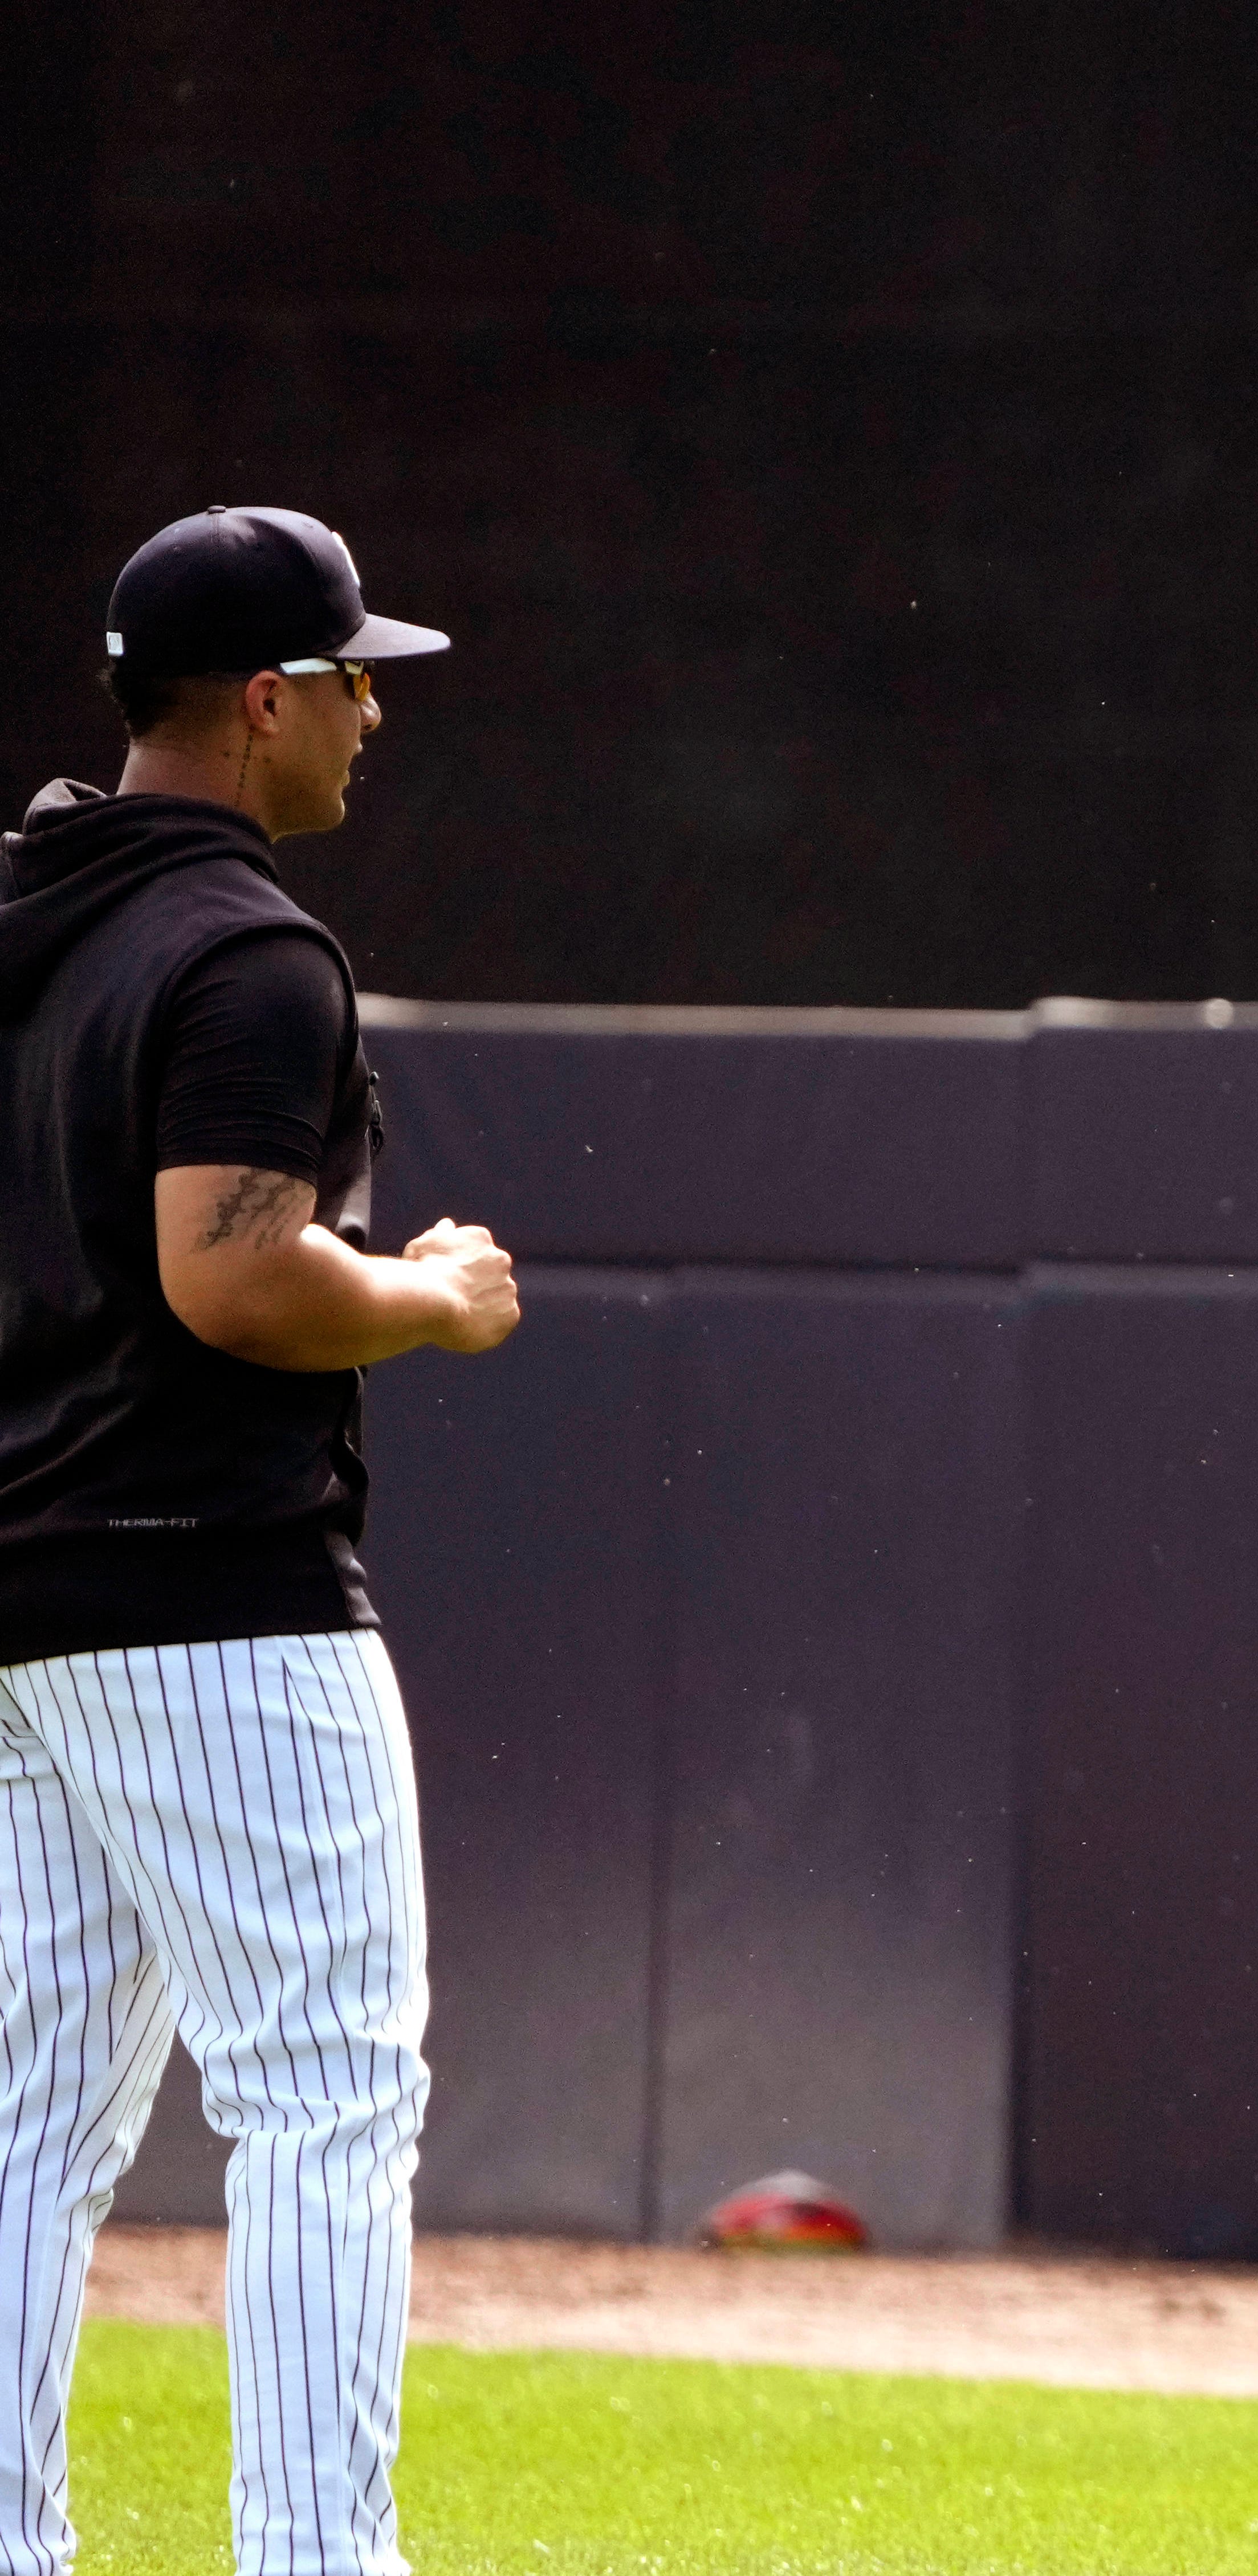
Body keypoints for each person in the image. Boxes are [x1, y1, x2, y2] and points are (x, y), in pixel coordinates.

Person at [0, 506, 514, 2576]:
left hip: (23, 1606)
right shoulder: (247, 946)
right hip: (213, 1597)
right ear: (269, 702)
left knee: (27, 2118)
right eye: (356, 674)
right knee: (322, 2094)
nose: (377, 711)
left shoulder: (25, 909)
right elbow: (231, 1276)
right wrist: (423, 1290)